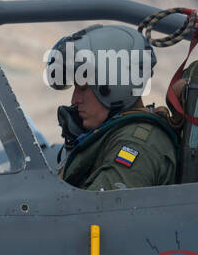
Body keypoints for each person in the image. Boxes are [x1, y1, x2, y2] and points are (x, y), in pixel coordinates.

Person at [47, 24, 179, 190]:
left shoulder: (134, 144)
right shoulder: (114, 134)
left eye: (83, 87)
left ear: (114, 83)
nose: (75, 100)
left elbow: (98, 212)